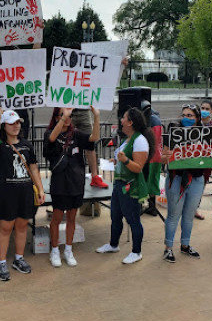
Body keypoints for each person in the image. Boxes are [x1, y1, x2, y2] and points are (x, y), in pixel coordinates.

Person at [0, 108, 45, 281]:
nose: (16, 126)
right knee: (5, 227)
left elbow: (34, 167)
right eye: (11, 123)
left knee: (22, 226)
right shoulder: (0, 144)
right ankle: (2, 262)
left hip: (25, 191)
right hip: (6, 192)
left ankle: (19, 258)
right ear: (4, 126)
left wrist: (40, 189)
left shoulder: (26, 144)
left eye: (18, 123)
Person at [96, 107, 155, 264]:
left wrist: (124, 161)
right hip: (119, 184)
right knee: (115, 216)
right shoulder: (127, 139)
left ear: (130, 122)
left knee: (133, 219)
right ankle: (113, 244)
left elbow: (138, 167)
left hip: (131, 187)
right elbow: (123, 158)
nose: (121, 121)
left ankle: (137, 252)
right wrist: (115, 161)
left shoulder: (140, 141)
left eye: (123, 118)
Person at [44, 106, 100, 267]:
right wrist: (62, 119)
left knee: (71, 217)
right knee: (56, 218)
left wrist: (96, 116)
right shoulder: (51, 133)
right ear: (56, 117)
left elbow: (93, 138)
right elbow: (51, 140)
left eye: (69, 115)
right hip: (60, 183)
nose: (68, 117)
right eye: (63, 115)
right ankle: (54, 250)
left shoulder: (76, 134)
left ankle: (68, 249)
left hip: (76, 182)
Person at [161, 104, 206, 263]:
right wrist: (167, 156)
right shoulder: (173, 133)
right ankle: (168, 248)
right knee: (174, 215)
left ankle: (185, 245)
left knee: (188, 216)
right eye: (184, 115)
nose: (186, 118)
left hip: (197, 179)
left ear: (198, 118)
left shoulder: (206, 134)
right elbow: (163, 158)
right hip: (177, 179)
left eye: (190, 116)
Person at [71, 108, 109, 188]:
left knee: (90, 144)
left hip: (84, 110)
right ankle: (66, 174)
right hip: (69, 109)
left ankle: (94, 176)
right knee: (65, 140)